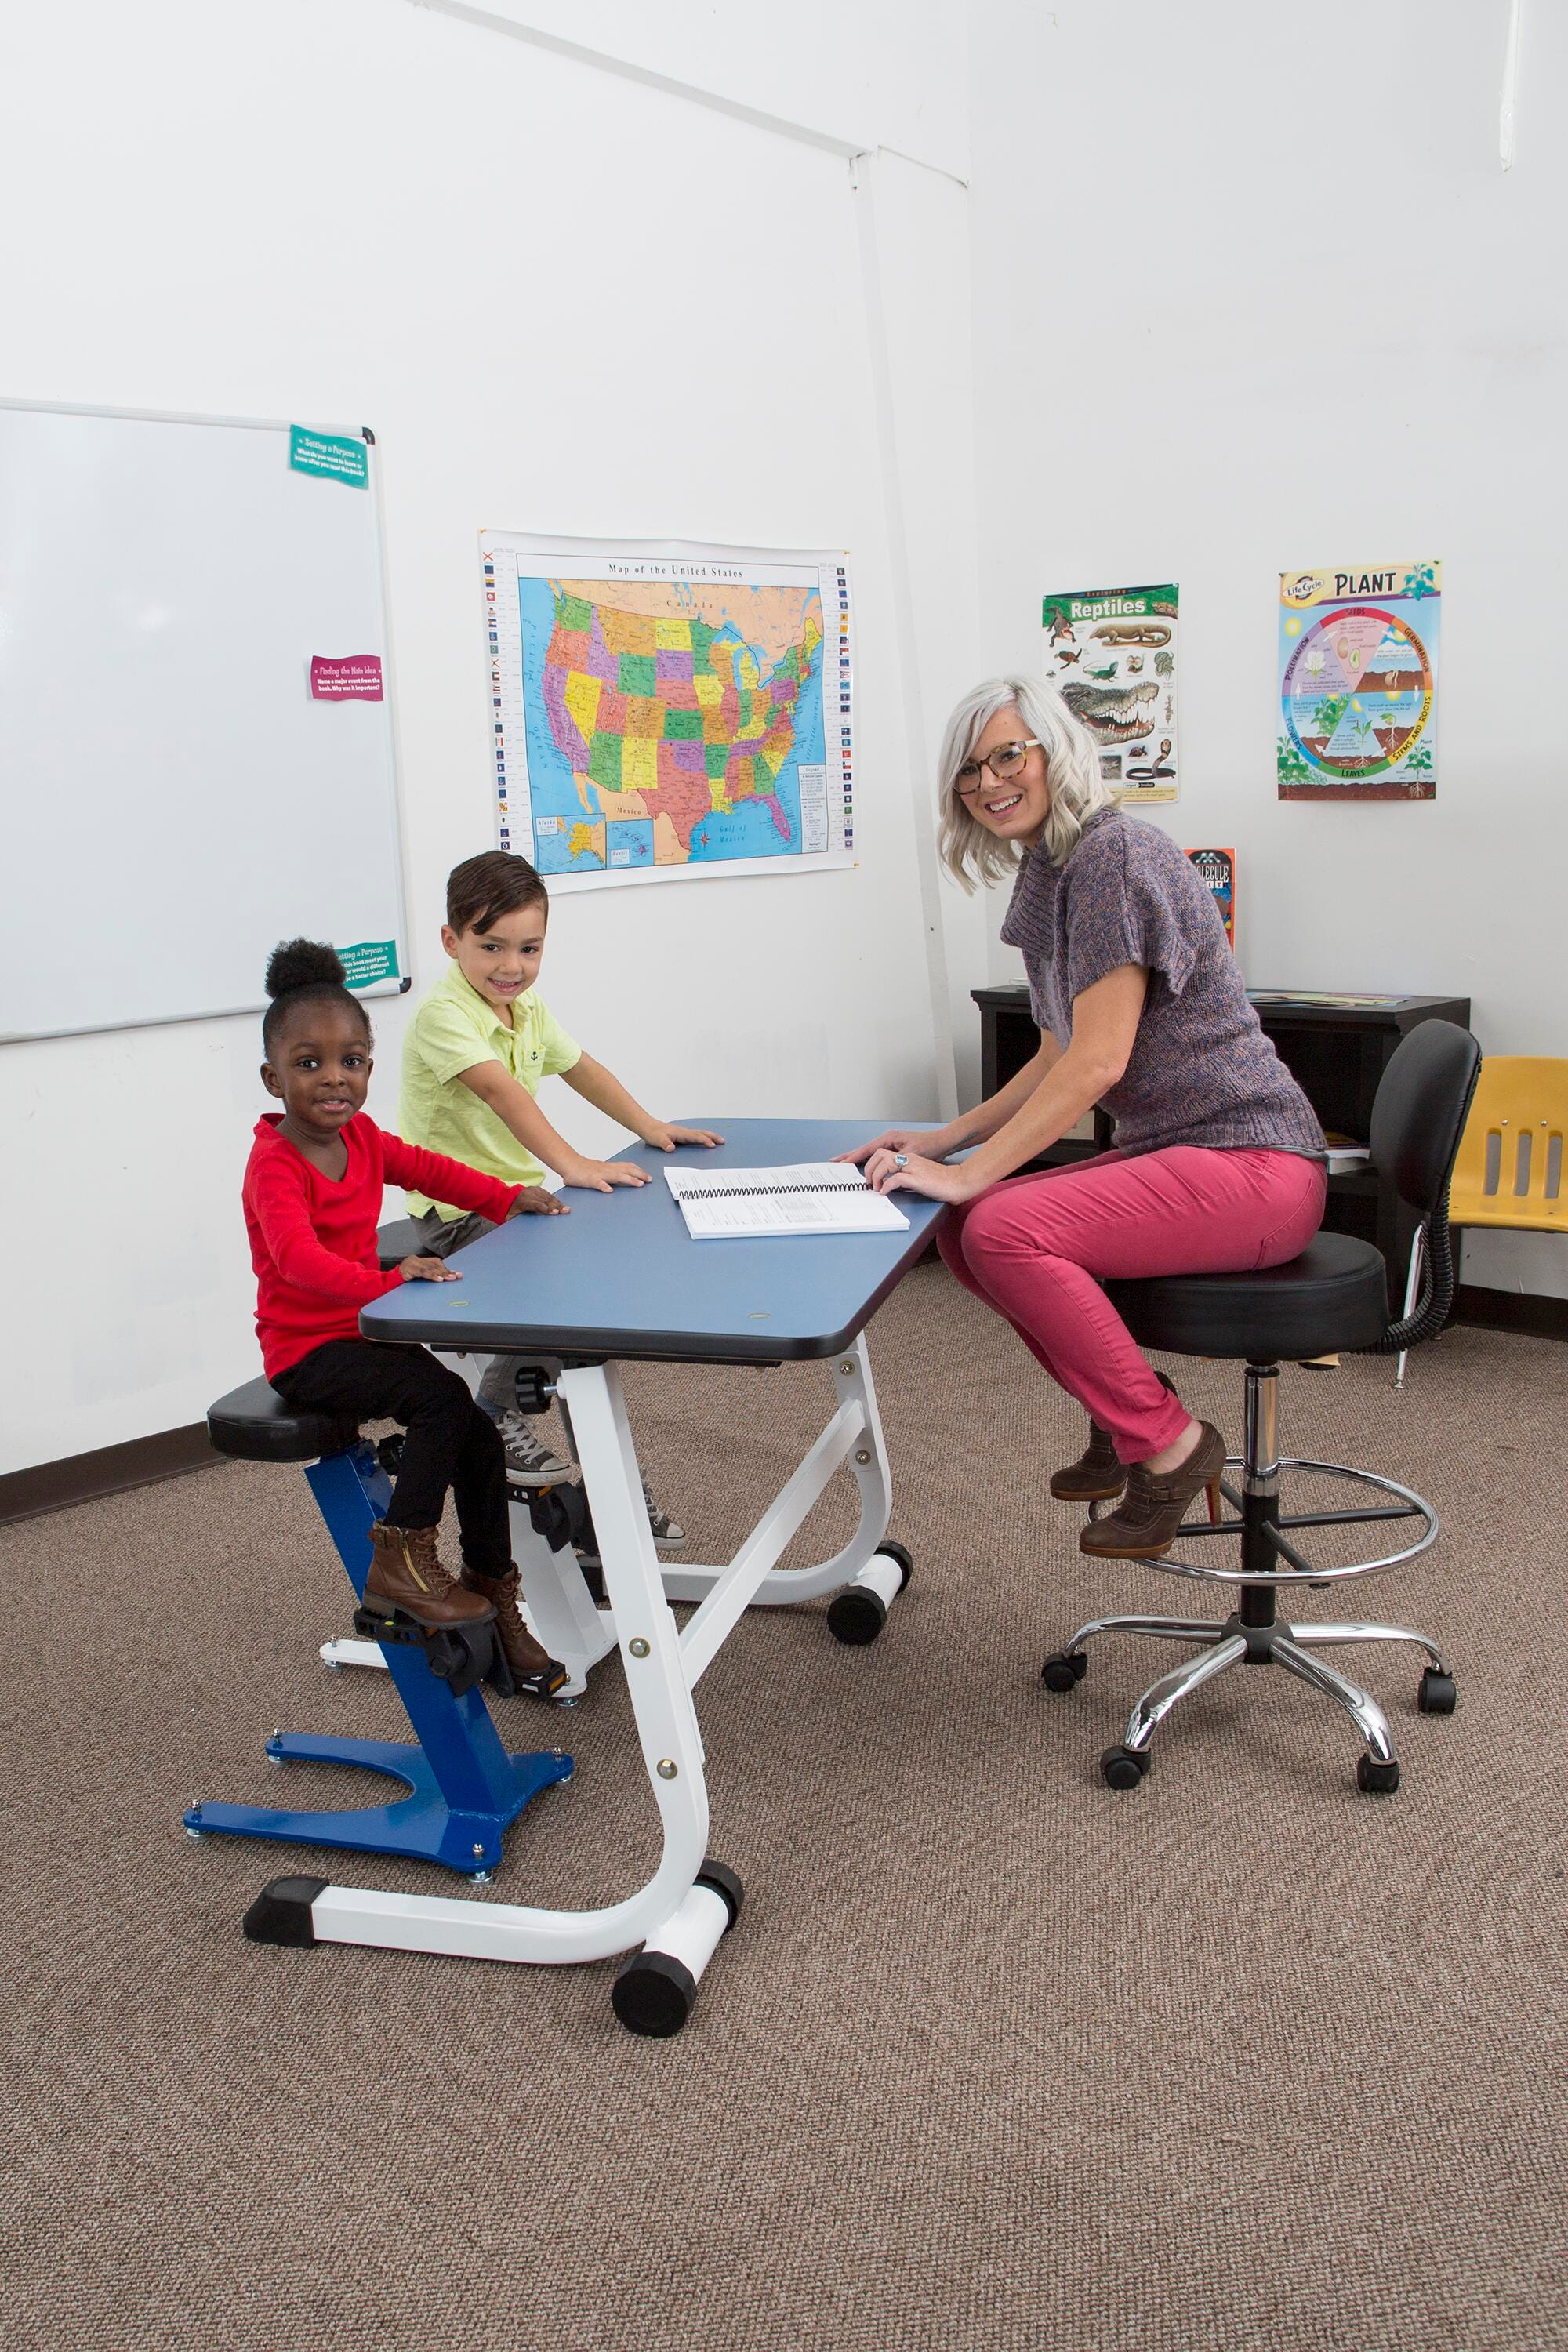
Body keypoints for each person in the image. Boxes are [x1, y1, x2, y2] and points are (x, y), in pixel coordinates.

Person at [843, 677, 1327, 1561]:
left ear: (1054, 751)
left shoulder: (1114, 857)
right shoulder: (1051, 868)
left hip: (1255, 1164)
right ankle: (1125, 1413)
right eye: (968, 770)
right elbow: (1054, 1052)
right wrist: (942, 1143)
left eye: (1006, 755)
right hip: (1188, 1157)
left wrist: (974, 1172)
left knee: (999, 1228)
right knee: (963, 1229)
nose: (988, 782)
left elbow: (1098, 1062)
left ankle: (1170, 1446)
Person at [242, 939, 569, 1700]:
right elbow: (295, 1262)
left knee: (479, 1436)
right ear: (273, 1076)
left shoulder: (359, 1138)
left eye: (351, 1060)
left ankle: (492, 1592)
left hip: (361, 1330)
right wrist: (386, 1276)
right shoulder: (276, 1164)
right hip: (305, 1349)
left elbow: (426, 1167)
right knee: (441, 1403)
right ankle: (402, 1559)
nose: (334, 1078)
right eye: (309, 1062)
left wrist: (502, 1195)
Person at [400, 850, 720, 1544]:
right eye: (491, 947)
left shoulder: (526, 1007)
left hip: (516, 1199)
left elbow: (581, 1069)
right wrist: (572, 1162)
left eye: (528, 948)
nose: (510, 965)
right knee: (571, 1306)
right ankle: (491, 1410)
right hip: (458, 1212)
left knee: (588, 1334)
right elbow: (501, 1091)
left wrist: (650, 1127)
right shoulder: (442, 1015)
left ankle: (616, 1495)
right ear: (452, 942)